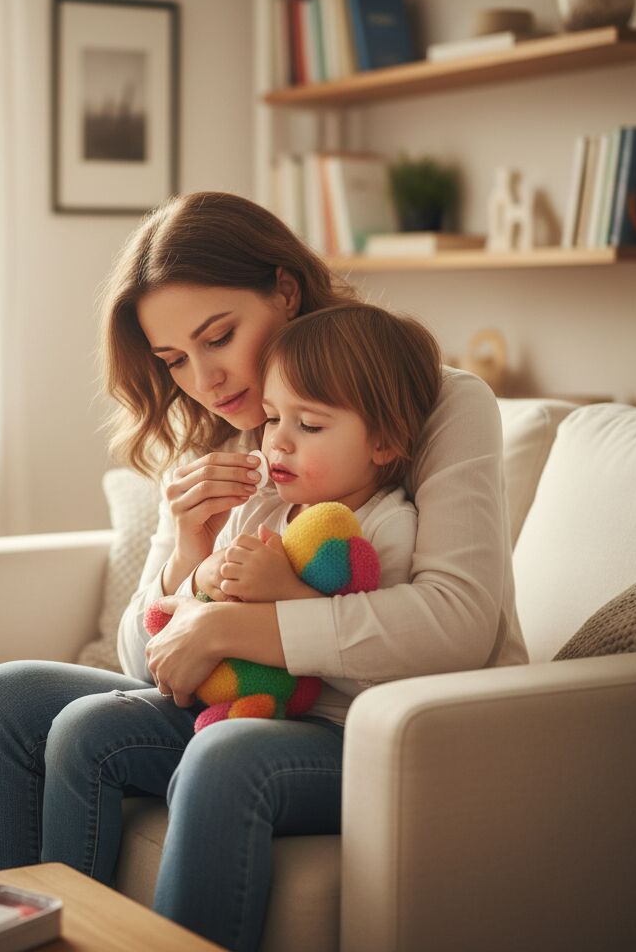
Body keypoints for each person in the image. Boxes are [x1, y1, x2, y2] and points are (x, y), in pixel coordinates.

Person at [0, 192, 528, 952]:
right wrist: (188, 562)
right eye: (174, 361)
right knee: (4, 698)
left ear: (284, 292)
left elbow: (456, 619)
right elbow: (146, 662)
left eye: (219, 337)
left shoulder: (435, 401)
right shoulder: (222, 439)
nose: (207, 380)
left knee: (221, 755)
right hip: (255, 701)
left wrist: (236, 622)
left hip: (394, 722)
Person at [167, 303, 441, 727]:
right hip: (224, 707)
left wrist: (284, 592)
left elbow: (386, 666)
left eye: (309, 425)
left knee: (226, 750)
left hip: (335, 727)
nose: (278, 442)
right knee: (81, 719)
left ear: (383, 442)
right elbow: (183, 631)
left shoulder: (388, 526)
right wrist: (205, 574)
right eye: (273, 417)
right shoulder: (256, 508)